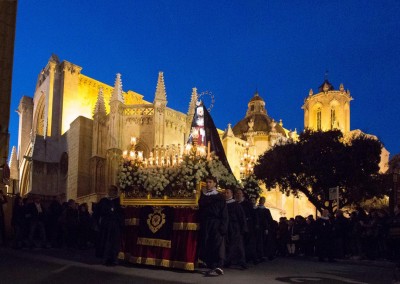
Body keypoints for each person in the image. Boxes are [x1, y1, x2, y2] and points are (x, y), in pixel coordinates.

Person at [198, 176, 228, 276]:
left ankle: (219, 265)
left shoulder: (219, 197)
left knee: (218, 245)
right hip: (206, 223)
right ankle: (211, 265)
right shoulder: (203, 196)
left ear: (215, 183)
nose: (208, 184)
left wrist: (223, 226)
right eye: (207, 182)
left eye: (210, 182)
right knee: (208, 243)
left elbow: (224, 213)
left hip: (216, 223)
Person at [95, 185, 124, 266]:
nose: (110, 192)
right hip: (105, 224)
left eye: (112, 190)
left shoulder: (119, 201)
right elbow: (97, 212)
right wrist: (96, 223)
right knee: (105, 241)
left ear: (115, 191)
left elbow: (122, 213)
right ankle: (105, 257)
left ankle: (114, 258)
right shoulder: (103, 200)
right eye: (109, 190)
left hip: (115, 225)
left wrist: (120, 222)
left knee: (114, 242)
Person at [224, 188, 247, 269]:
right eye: (225, 193)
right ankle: (228, 261)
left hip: (235, 227)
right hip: (226, 227)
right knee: (227, 245)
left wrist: (243, 228)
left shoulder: (236, 204)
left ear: (231, 194)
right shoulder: (223, 204)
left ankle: (242, 262)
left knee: (239, 246)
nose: (225, 194)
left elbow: (242, 217)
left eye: (227, 192)